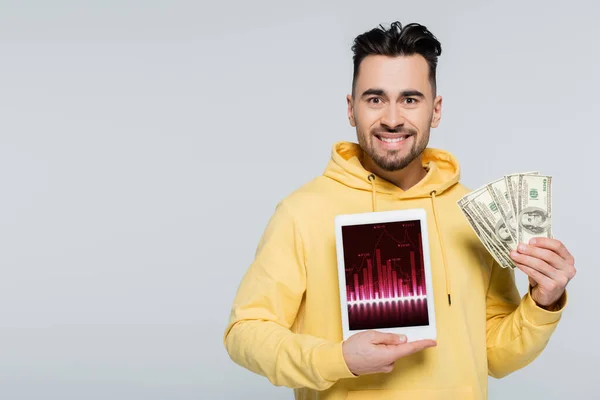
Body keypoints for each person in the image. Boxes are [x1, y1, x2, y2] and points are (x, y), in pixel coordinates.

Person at [223, 21, 576, 400]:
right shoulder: (302, 212)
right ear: (350, 108)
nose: (392, 118)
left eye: (410, 99)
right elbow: (245, 332)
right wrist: (336, 358)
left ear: (435, 110)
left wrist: (543, 302)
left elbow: (493, 354)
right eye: (375, 99)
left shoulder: (471, 215)